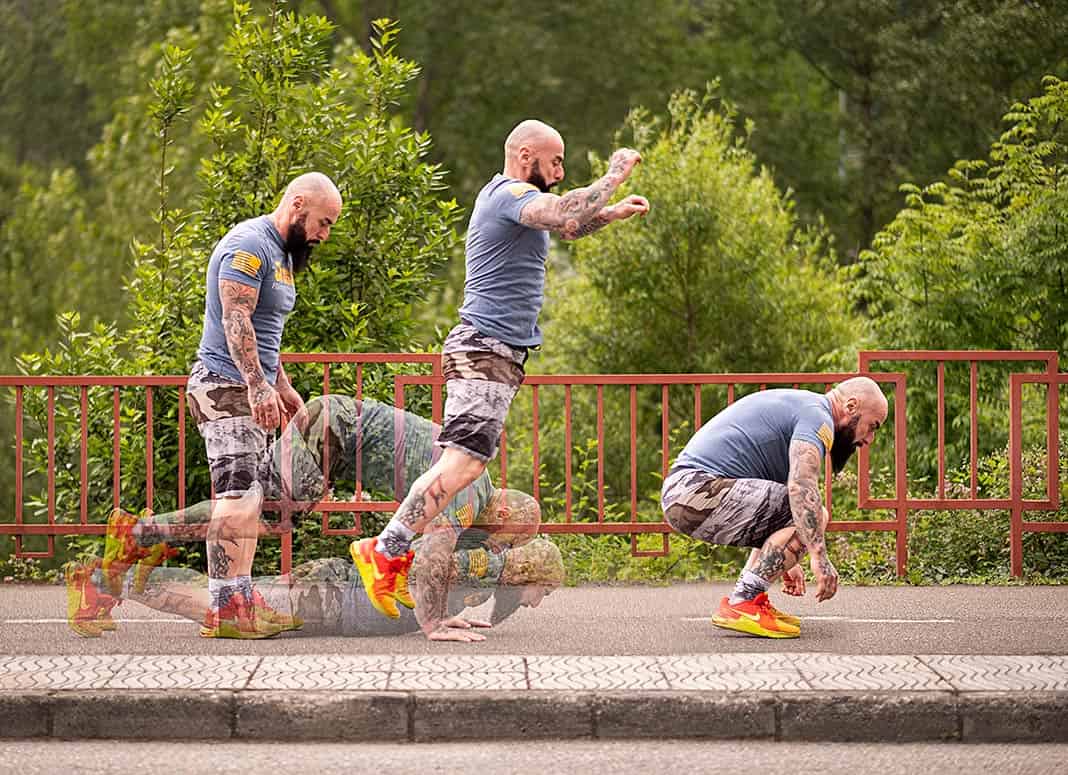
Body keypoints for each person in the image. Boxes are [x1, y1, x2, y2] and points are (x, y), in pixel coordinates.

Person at [354, 119, 650, 641]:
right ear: (525, 155)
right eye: (555, 162)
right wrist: (614, 174)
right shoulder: (507, 193)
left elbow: (569, 225)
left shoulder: (518, 205)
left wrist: (610, 214)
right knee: (462, 465)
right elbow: (562, 210)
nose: (559, 173)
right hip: (485, 350)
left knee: (461, 466)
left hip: (496, 354)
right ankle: (384, 551)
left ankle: (388, 553)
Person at [72, 396, 544, 641]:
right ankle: (137, 535)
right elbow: (434, 554)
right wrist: (434, 621)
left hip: (332, 430)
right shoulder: (469, 491)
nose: (498, 545)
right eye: (506, 539)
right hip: (332, 430)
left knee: (256, 512)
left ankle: (138, 536)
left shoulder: (470, 484)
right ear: (501, 513)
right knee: (263, 514)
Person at [179, 172, 342, 636]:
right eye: (322, 222)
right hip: (224, 386)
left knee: (249, 498)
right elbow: (237, 320)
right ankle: (223, 610)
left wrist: (280, 383)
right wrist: (255, 386)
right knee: (234, 498)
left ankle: (242, 599)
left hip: (248, 385)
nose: (323, 235)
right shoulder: (249, 246)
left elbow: (265, 332)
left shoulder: (281, 254)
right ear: (297, 205)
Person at [660, 377, 888, 639]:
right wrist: (819, 557)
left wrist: (787, 559)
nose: (869, 439)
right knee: (816, 513)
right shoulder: (818, 417)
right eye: (872, 426)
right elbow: (802, 487)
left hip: (686, 492)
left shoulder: (805, 407)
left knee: (799, 513)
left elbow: (773, 508)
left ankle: (750, 599)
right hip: (696, 489)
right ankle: (742, 602)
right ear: (851, 406)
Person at [77, 535, 563, 639]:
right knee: (223, 608)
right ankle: (104, 578)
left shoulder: (493, 578)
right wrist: (435, 619)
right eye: (545, 590)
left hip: (340, 593)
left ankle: (109, 579)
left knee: (228, 603)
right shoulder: (480, 564)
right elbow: (424, 567)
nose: (542, 602)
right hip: (337, 594)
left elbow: (496, 608)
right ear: (528, 576)